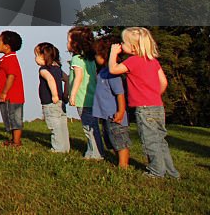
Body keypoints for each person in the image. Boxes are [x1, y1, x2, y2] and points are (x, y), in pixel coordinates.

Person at [109, 27, 179, 178]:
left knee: (150, 142)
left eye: (124, 42)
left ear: (133, 47)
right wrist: (154, 95)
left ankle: (156, 172)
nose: (121, 44)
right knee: (160, 140)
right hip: (158, 107)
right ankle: (171, 172)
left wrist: (113, 54)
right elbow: (164, 83)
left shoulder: (133, 61)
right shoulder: (153, 62)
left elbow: (113, 69)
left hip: (144, 109)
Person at [92, 36, 130, 169]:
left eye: (97, 54)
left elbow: (120, 93)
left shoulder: (112, 73)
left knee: (120, 140)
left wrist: (121, 111)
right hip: (106, 115)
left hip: (115, 115)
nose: (95, 57)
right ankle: (118, 161)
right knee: (111, 139)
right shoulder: (102, 72)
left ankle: (123, 165)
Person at [67, 26, 104, 159]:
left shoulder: (77, 59)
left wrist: (73, 95)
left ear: (75, 43)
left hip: (82, 98)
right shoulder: (90, 59)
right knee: (93, 126)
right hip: (92, 96)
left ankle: (95, 153)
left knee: (88, 128)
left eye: (69, 41)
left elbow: (79, 77)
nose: (67, 44)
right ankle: (95, 151)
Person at [34, 42, 69, 153]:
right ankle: (65, 147)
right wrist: (65, 94)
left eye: (36, 55)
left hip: (50, 102)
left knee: (55, 126)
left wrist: (54, 95)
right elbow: (67, 79)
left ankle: (58, 149)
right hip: (61, 102)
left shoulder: (44, 70)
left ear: (44, 56)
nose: (35, 59)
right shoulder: (57, 68)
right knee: (62, 125)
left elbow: (50, 80)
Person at [0, 30, 25, 148]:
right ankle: (13, 140)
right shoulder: (6, 59)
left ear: (7, 47)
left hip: (13, 96)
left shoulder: (11, 59)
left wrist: (4, 92)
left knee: (15, 118)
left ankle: (17, 142)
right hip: (8, 96)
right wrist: (0, 68)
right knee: (8, 117)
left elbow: (11, 76)